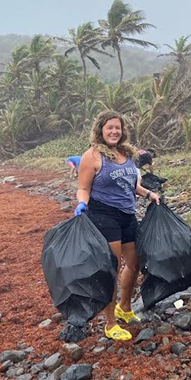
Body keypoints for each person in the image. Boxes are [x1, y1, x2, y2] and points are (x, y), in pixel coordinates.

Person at [74, 111, 160, 340]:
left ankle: (125, 306)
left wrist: (148, 193)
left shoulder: (127, 153)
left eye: (117, 128)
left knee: (134, 263)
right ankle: (110, 322)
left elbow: (131, 184)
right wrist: (81, 204)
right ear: (100, 130)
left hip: (127, 214)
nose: (114, 131)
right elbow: (83, 188)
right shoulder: (91, 156)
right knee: (112, 267)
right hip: (103, 215)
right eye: (109, 127)